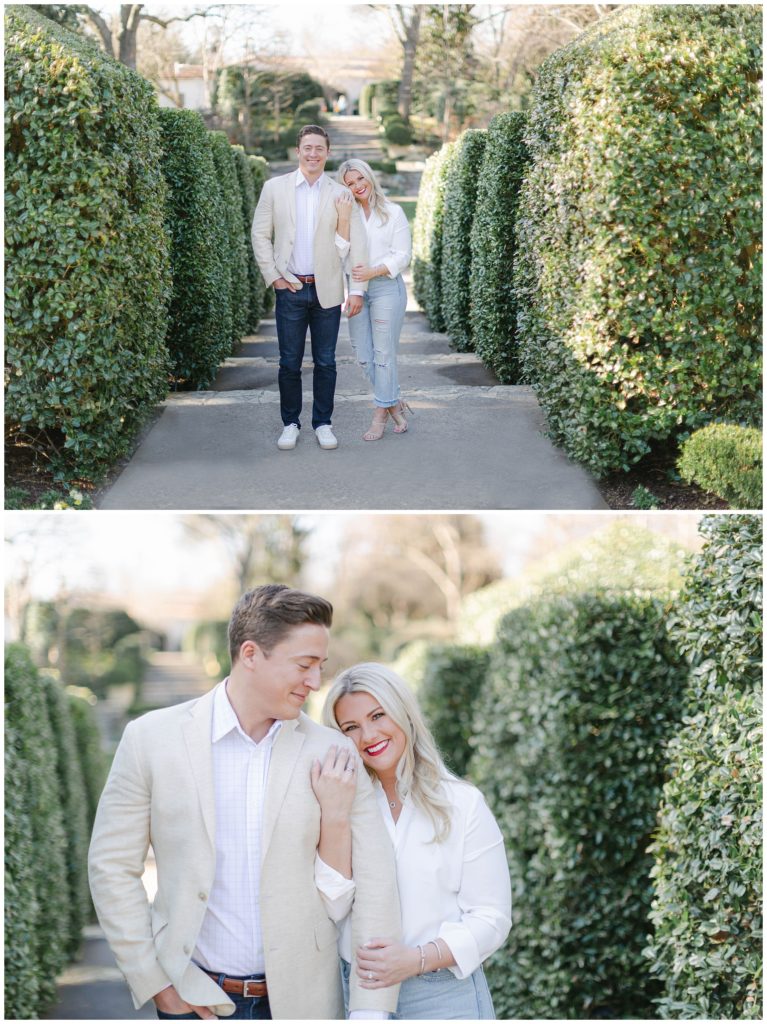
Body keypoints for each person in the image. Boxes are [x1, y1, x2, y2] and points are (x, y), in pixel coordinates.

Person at [88, 586, 401, 1021]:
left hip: (305, 1004)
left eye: (320, 667)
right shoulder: (150, 739)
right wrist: (152, 980)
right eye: (304, 665)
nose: (315, 681)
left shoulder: (335, 752)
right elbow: (111, 866)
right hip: (195, 999)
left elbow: (376, 884)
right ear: (250, 654)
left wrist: (371, 1009)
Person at [316, 663, 512, 1020]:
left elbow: (492, 918)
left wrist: (416, 959)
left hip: (442, 995)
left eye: (378, 715)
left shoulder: (462, 804)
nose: (368, 735)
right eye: (351, 727)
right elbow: (333, 906)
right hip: (358, 992)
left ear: (403, 712)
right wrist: (334, 815)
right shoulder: (336, 801)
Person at [251, 126, 368, 452]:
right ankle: (290, 423)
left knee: (326, 362)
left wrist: (356, 289)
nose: (313, 154)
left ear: (327, 153)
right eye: (307, 148)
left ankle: (323, 423)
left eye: (319, 148)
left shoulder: (341, 194)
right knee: (289, 362)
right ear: (298, 151)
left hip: (326, 290)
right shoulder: (274, 188)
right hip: (289, 288)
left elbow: (355, 246)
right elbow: (259, 235)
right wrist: (274, 276)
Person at [335, 159, 413, 441]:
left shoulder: (392, 212)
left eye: (360, 179)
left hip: (385, 288)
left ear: (369, 177)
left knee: (383, 355)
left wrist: (372, 270)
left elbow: (402, 255)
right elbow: (340, 253)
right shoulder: (345, 213)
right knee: (364, 355)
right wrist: (343, 219)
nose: (357, 187)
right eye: (350, 184)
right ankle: (393, 401)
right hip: (356, 290)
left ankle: (380, 414)